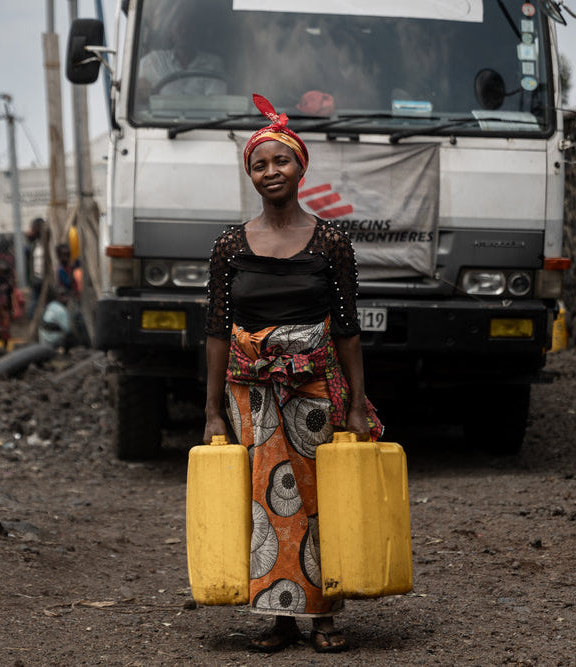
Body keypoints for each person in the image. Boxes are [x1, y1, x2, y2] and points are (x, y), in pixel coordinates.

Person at [203, 94, 382, 654]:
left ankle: (324, 613)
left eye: (280, 161)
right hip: (250, 393)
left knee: (316, 497)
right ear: (249, 175)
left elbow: (348, 329)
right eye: (259, 165)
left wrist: (356, 399)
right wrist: (211, 408)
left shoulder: (330, 242)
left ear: (301, 167)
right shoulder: (230, 244)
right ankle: (278, 616)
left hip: (313, 389)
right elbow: (215, 330)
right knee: (261, 500)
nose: (270, 172)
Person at [135, 0, 226, 105]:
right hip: (156, 121)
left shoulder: (213, 64)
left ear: (196, 31)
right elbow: (134, 87)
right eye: (179, 26)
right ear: (170, 32)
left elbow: (215, 104)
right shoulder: (153, 61)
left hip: (204, 121)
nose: (184, 31)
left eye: (189, 26)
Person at [25, 217, 46, 320]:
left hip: (46, 279)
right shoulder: (34, 244)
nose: (32, 230)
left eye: (34, 227)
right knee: (32, 310)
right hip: (36, 279)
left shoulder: (47, 243)